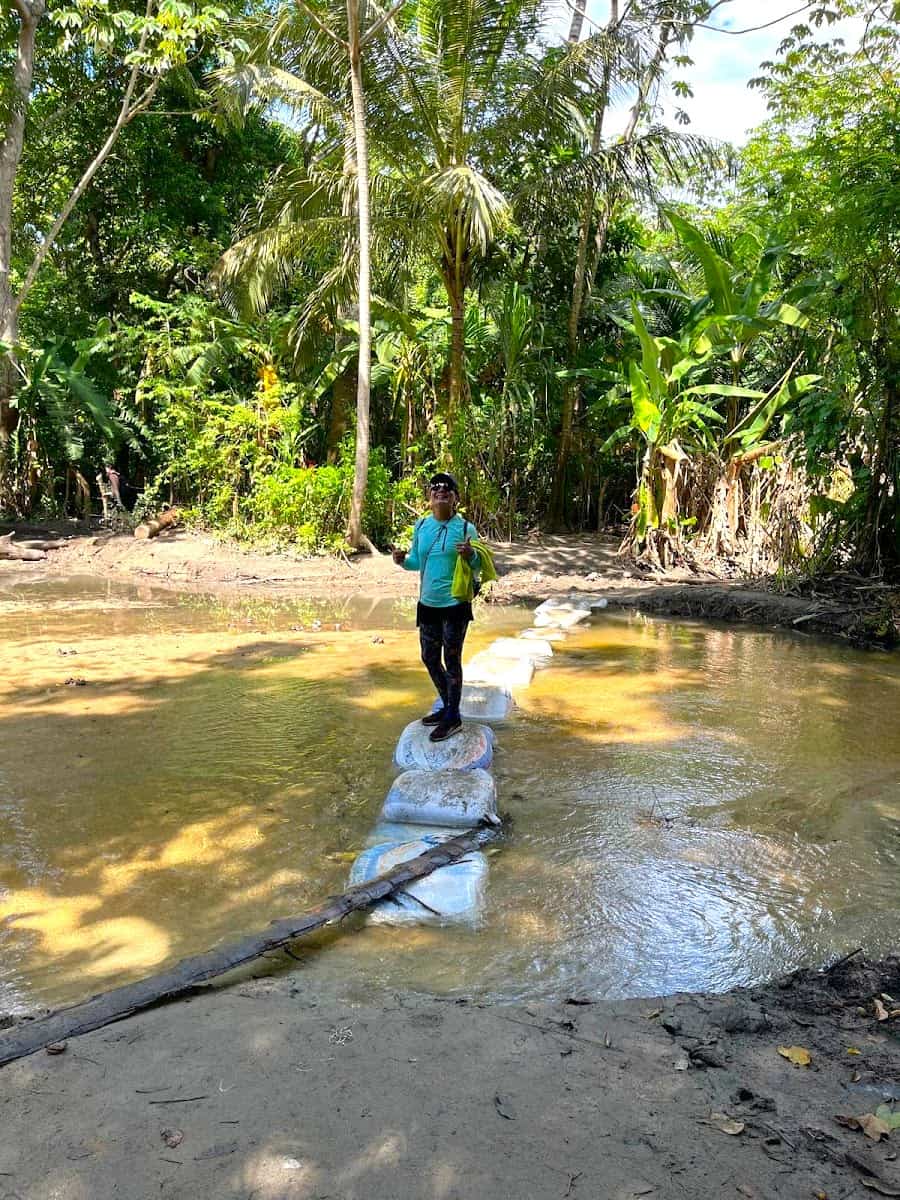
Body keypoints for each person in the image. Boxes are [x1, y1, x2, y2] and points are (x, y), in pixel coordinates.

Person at [392, 472, 480, 742]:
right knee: (429, 658)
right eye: (435, 488)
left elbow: (480, 565)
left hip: (455, 605)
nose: (440, 490)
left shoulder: (466, 528)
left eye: (447, 488)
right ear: (429, 497)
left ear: (455, 498)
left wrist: (471, 554)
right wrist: (402, 561)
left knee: (451, 660)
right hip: (428, 604)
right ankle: (448, 707)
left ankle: (453, 717)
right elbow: (417, 562)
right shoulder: (421, 526)